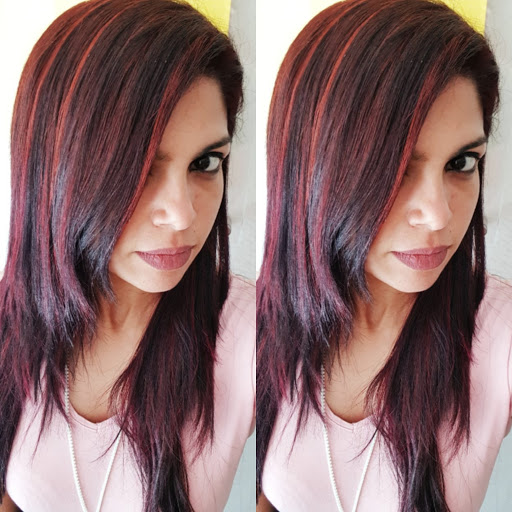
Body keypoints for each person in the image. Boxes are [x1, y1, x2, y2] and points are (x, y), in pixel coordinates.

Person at [0, 1, 255, 511]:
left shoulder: (253, 335)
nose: (181, 215)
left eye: (206, 163)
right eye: (140, 167)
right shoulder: (11, 324)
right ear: (57, 167)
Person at [257, 0, 511, 511]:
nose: (437, 214)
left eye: (462, 163)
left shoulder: (498, 336)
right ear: (314, 167)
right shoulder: (258, 323)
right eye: (397, 167)